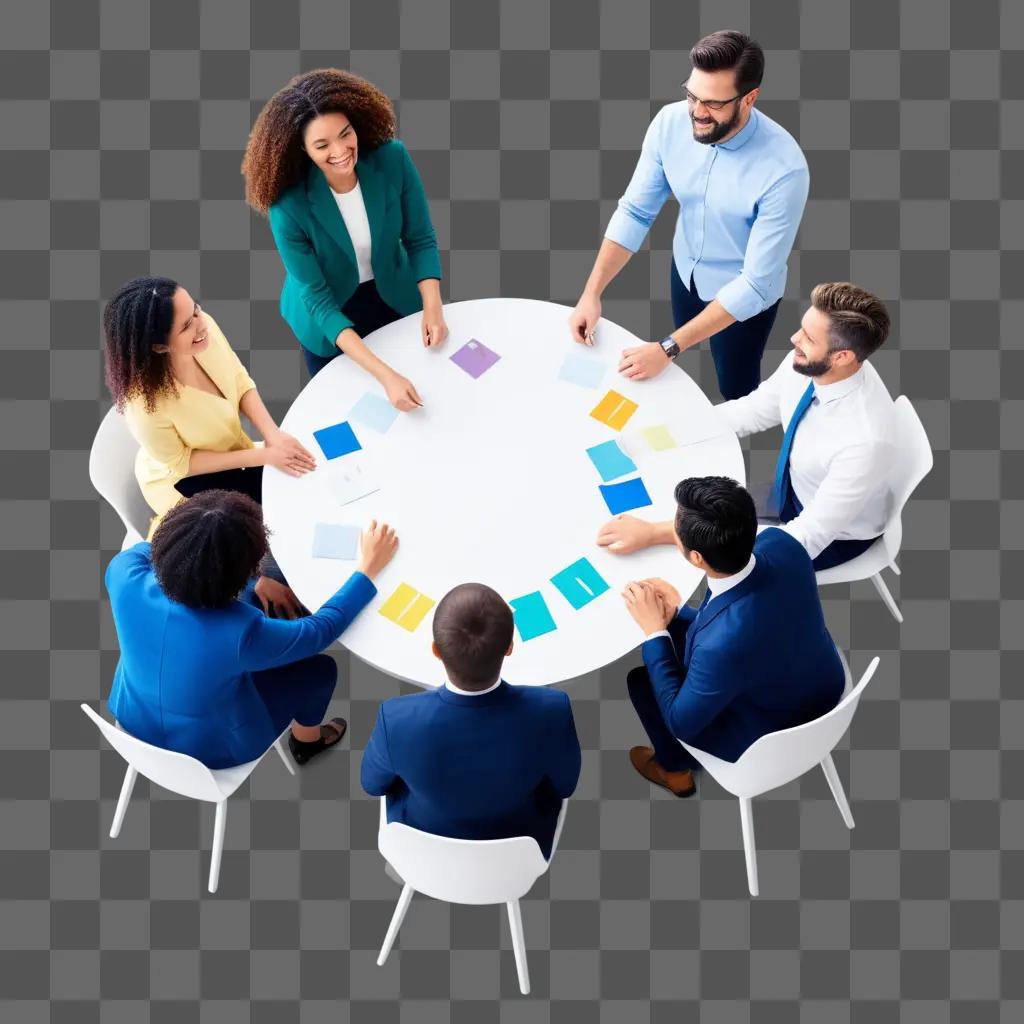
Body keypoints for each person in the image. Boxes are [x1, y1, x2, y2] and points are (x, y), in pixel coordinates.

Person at [568, 30, 809, 400]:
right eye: (692, 95)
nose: (697, 112)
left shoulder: (784, 170)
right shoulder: (669, 123)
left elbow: (756, 283)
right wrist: (591, 292)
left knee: (735, 386)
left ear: (749, 99)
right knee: (680, 377)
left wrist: (666, 347)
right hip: (686, 272)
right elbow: (635, 211)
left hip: (743, 293)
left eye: (713, 103)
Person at [597, 282, 895, 572]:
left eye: (809, 338)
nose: (794, 339)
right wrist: (659, 435)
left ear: (842, 357)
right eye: (802, 328)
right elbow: (754, 410)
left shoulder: (864, 442)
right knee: (687, 507)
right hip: (789, 491)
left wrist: (657, 534)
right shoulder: (811, 364)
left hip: (832, 537)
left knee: (690, 546)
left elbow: (806, 537)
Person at [106, 490, 398, 769]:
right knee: (320, 670)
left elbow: (154, 547)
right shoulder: (242, 633)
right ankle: (306, 742)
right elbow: (320, 630)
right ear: (247, 569)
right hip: (210, 749)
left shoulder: (122, 572)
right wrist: (366, 570)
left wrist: (254, 582)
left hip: (132, 713)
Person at [621, 477, 845, 797]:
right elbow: (734, 623)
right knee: (683, 632)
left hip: (768, 730)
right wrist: (676, 614)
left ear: (697, 558)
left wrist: (655, 632)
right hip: (818, 678)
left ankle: (675, 770)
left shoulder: (721, 646)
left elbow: (681, 721)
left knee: (641, 683)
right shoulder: (784, 544)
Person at [244, 68, 447, 406]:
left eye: (345, 134)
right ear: (302, 150)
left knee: (429, 391)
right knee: (354, 412)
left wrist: (433, 306)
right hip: (328, 312)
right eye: (322, 145)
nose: (340, 151)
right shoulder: (287, 206)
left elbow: (420, 237)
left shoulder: (392, 158)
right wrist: (386, 376)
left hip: (392, 292)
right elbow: (319, 300)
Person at [361, 583, 581, 858]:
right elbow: (565, 786)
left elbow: (372, 785)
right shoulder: (553, 710)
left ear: (436, 650)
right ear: (510, 648)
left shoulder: (394, 719)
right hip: (517, 853)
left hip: (421, 850)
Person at [103, 276, 317, 544]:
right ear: (159, 346)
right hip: (185, 481)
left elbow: (238, 379)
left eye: (196, 310)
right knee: (271, 530)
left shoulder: (205, 329)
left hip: (235, 454)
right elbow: (182, 464)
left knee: (302, 477)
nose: (201, 324)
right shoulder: (144, 408)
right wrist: (262, 455)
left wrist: (273, 434)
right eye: (186, 326)